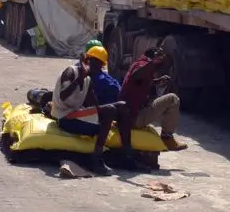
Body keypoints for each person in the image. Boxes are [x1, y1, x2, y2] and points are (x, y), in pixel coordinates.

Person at [49, 46, 136, 174]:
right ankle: (96, 158)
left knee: (120, 105)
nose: (97, 68)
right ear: (87, 61)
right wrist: (80, 79)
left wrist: (109, 114)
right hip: (64, 117)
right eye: (95, 63)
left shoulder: (88, 79)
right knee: (110, 109)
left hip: (77, 114)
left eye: (100, 65)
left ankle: (128, 155)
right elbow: (63, 95)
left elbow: (92, 103)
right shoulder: (71, 72)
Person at [120, 46, 187, 151]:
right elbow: (135, 76)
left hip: (129, 116)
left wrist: (157, 81)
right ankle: (167, 139)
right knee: (173, 99)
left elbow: (138, 83)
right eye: (160, 60)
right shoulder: (141, 64)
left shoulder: (139, 65)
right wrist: (152, 62)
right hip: (134, 118)